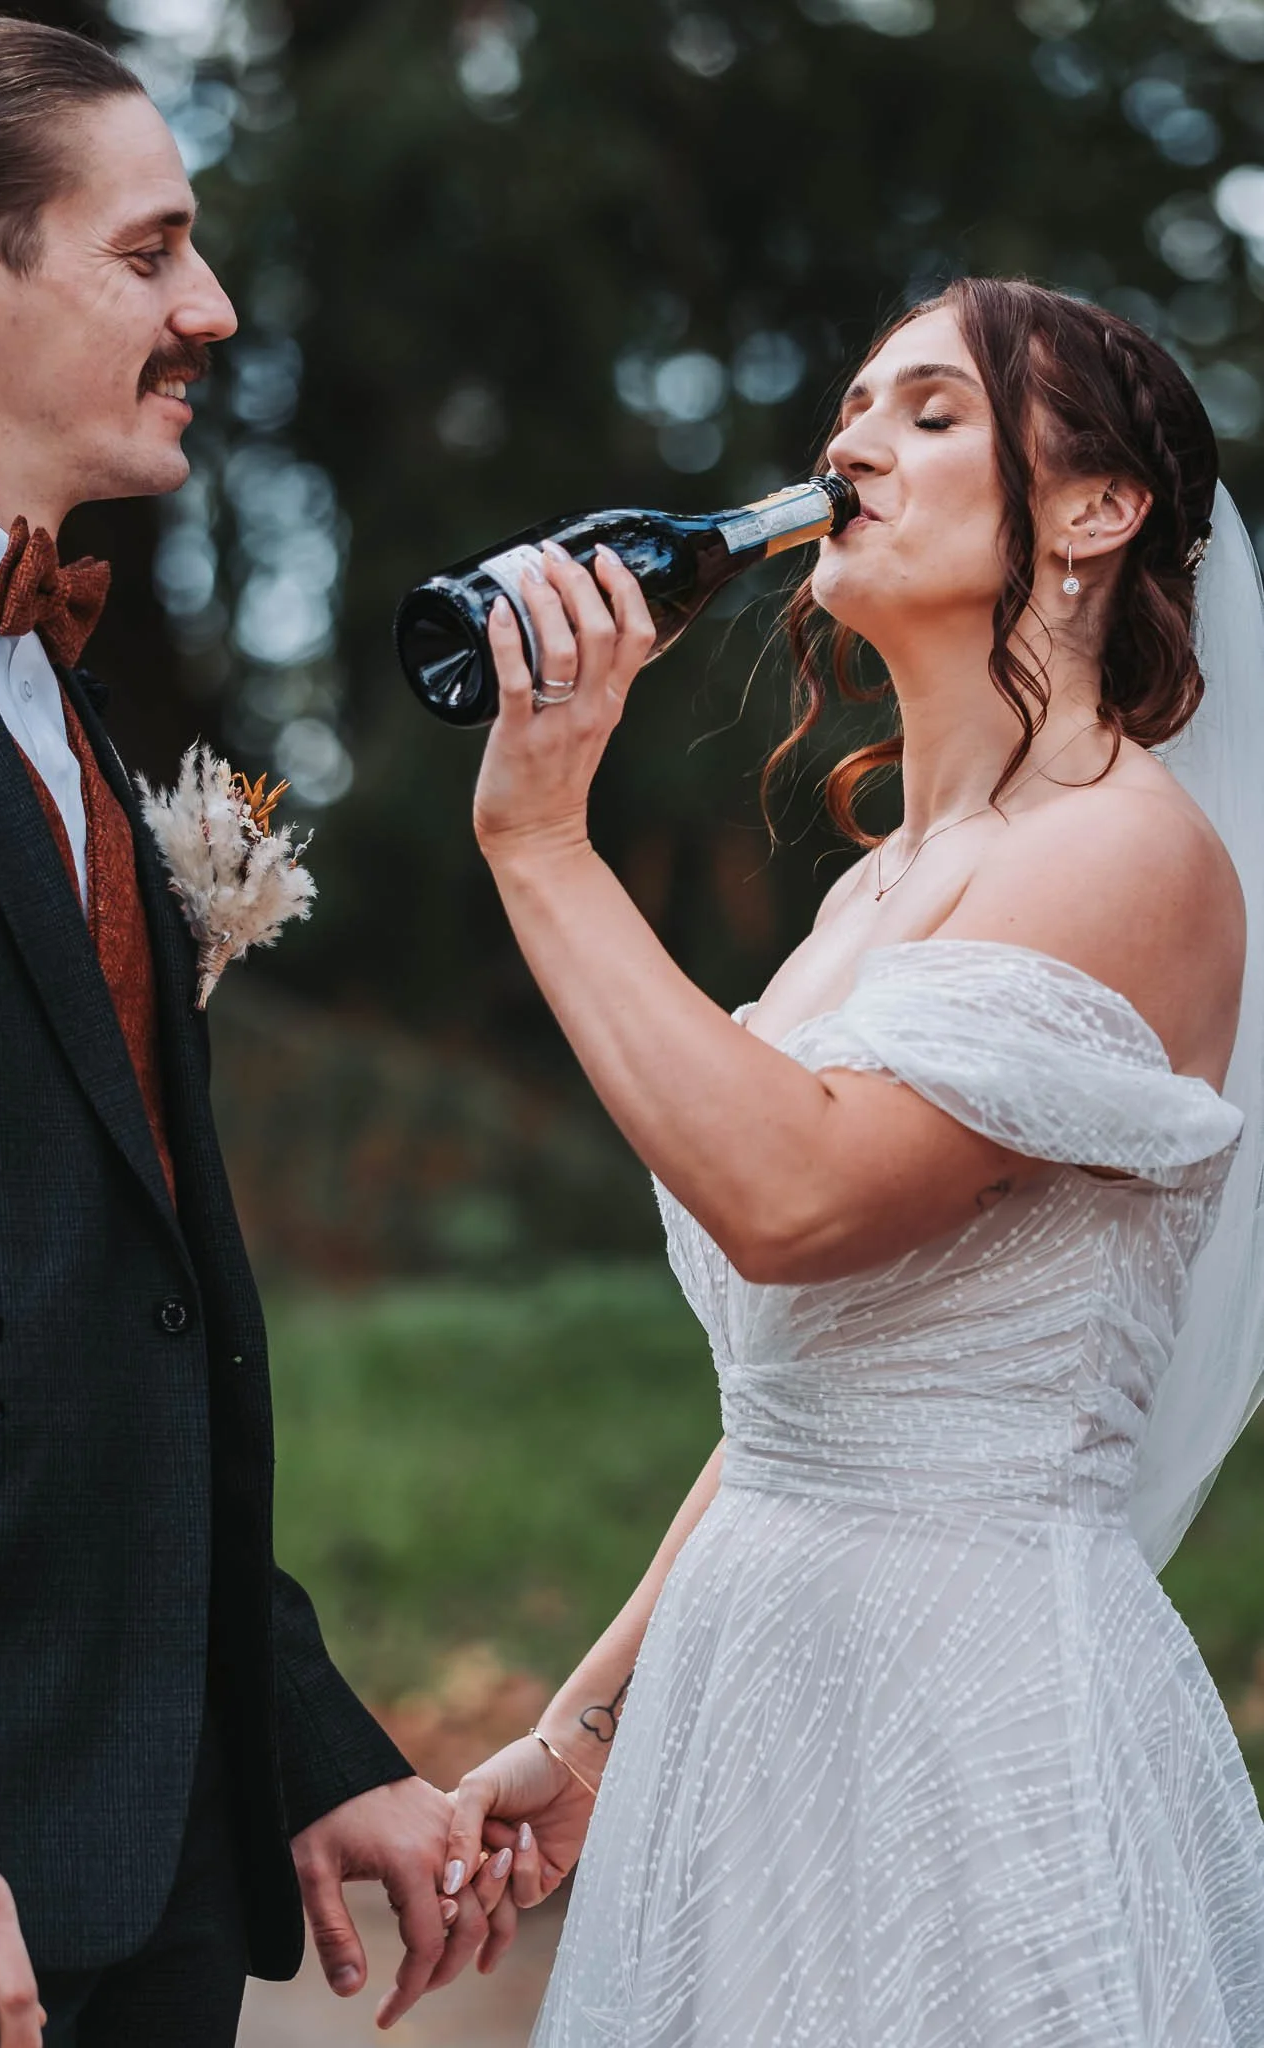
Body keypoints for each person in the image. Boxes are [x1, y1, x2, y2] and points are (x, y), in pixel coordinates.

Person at [439, 278, 1264, 2043]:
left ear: (1100, 510)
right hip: (748, 1700)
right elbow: (801, 1417)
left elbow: (796, 1199)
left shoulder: (1129, 854)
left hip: (970, 1715)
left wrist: (537, 842)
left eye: (931, 410)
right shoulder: (866, 897)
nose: (850, 444)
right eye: (852, 410)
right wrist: (586, 1727)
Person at [0, 17, 503, 2047]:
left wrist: (305, 1738)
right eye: (149, 255)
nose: (212, 309)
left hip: (137, 1865)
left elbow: (114, 1306)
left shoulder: (42, 686)